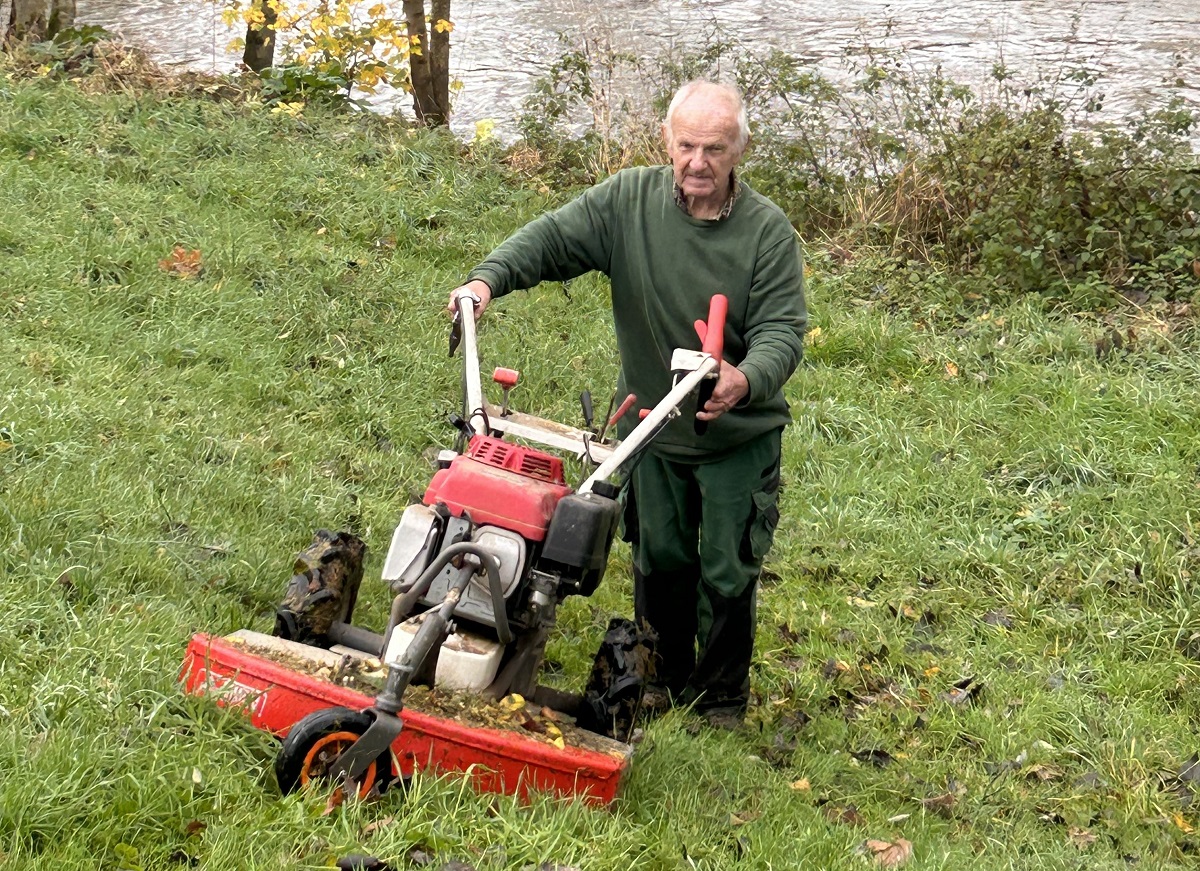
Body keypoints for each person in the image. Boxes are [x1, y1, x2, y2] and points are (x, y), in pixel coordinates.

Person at [446, 80, 807, 728]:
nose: (698, 162)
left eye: (715, 149)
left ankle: (720, 699)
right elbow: (554, 239)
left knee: (727, 568)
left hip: (737, 435)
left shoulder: (768, 234)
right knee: (660, 557)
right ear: (668, 141)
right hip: (654, 429)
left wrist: (745, 377)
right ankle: (663, 676)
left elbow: (784, 329)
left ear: (740, 150)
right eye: (687, 145)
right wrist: (486, 279)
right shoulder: (628, 202)